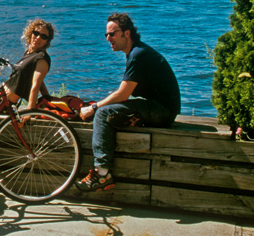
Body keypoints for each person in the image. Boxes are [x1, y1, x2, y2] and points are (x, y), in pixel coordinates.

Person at [75, 12, 180, 192]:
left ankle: (102, 175)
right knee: (107, 108)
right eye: (106, 34)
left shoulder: (138, 55)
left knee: (102, 113)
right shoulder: (136, 52)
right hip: (160, 108)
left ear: (127, 33)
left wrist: (93, 107)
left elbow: (123, 95)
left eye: (112, 33)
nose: (108, 38)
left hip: (161, 111)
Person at [2, 19, 55, 109]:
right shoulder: (29, 53)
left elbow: (36, 85)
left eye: (43, 36)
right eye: (36, 33)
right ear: (31, 33)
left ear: (47, 41)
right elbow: (37, 80)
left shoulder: (42, 58)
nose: (38, 37)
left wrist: (30, 111)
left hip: (2, 102)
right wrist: (46, 98)